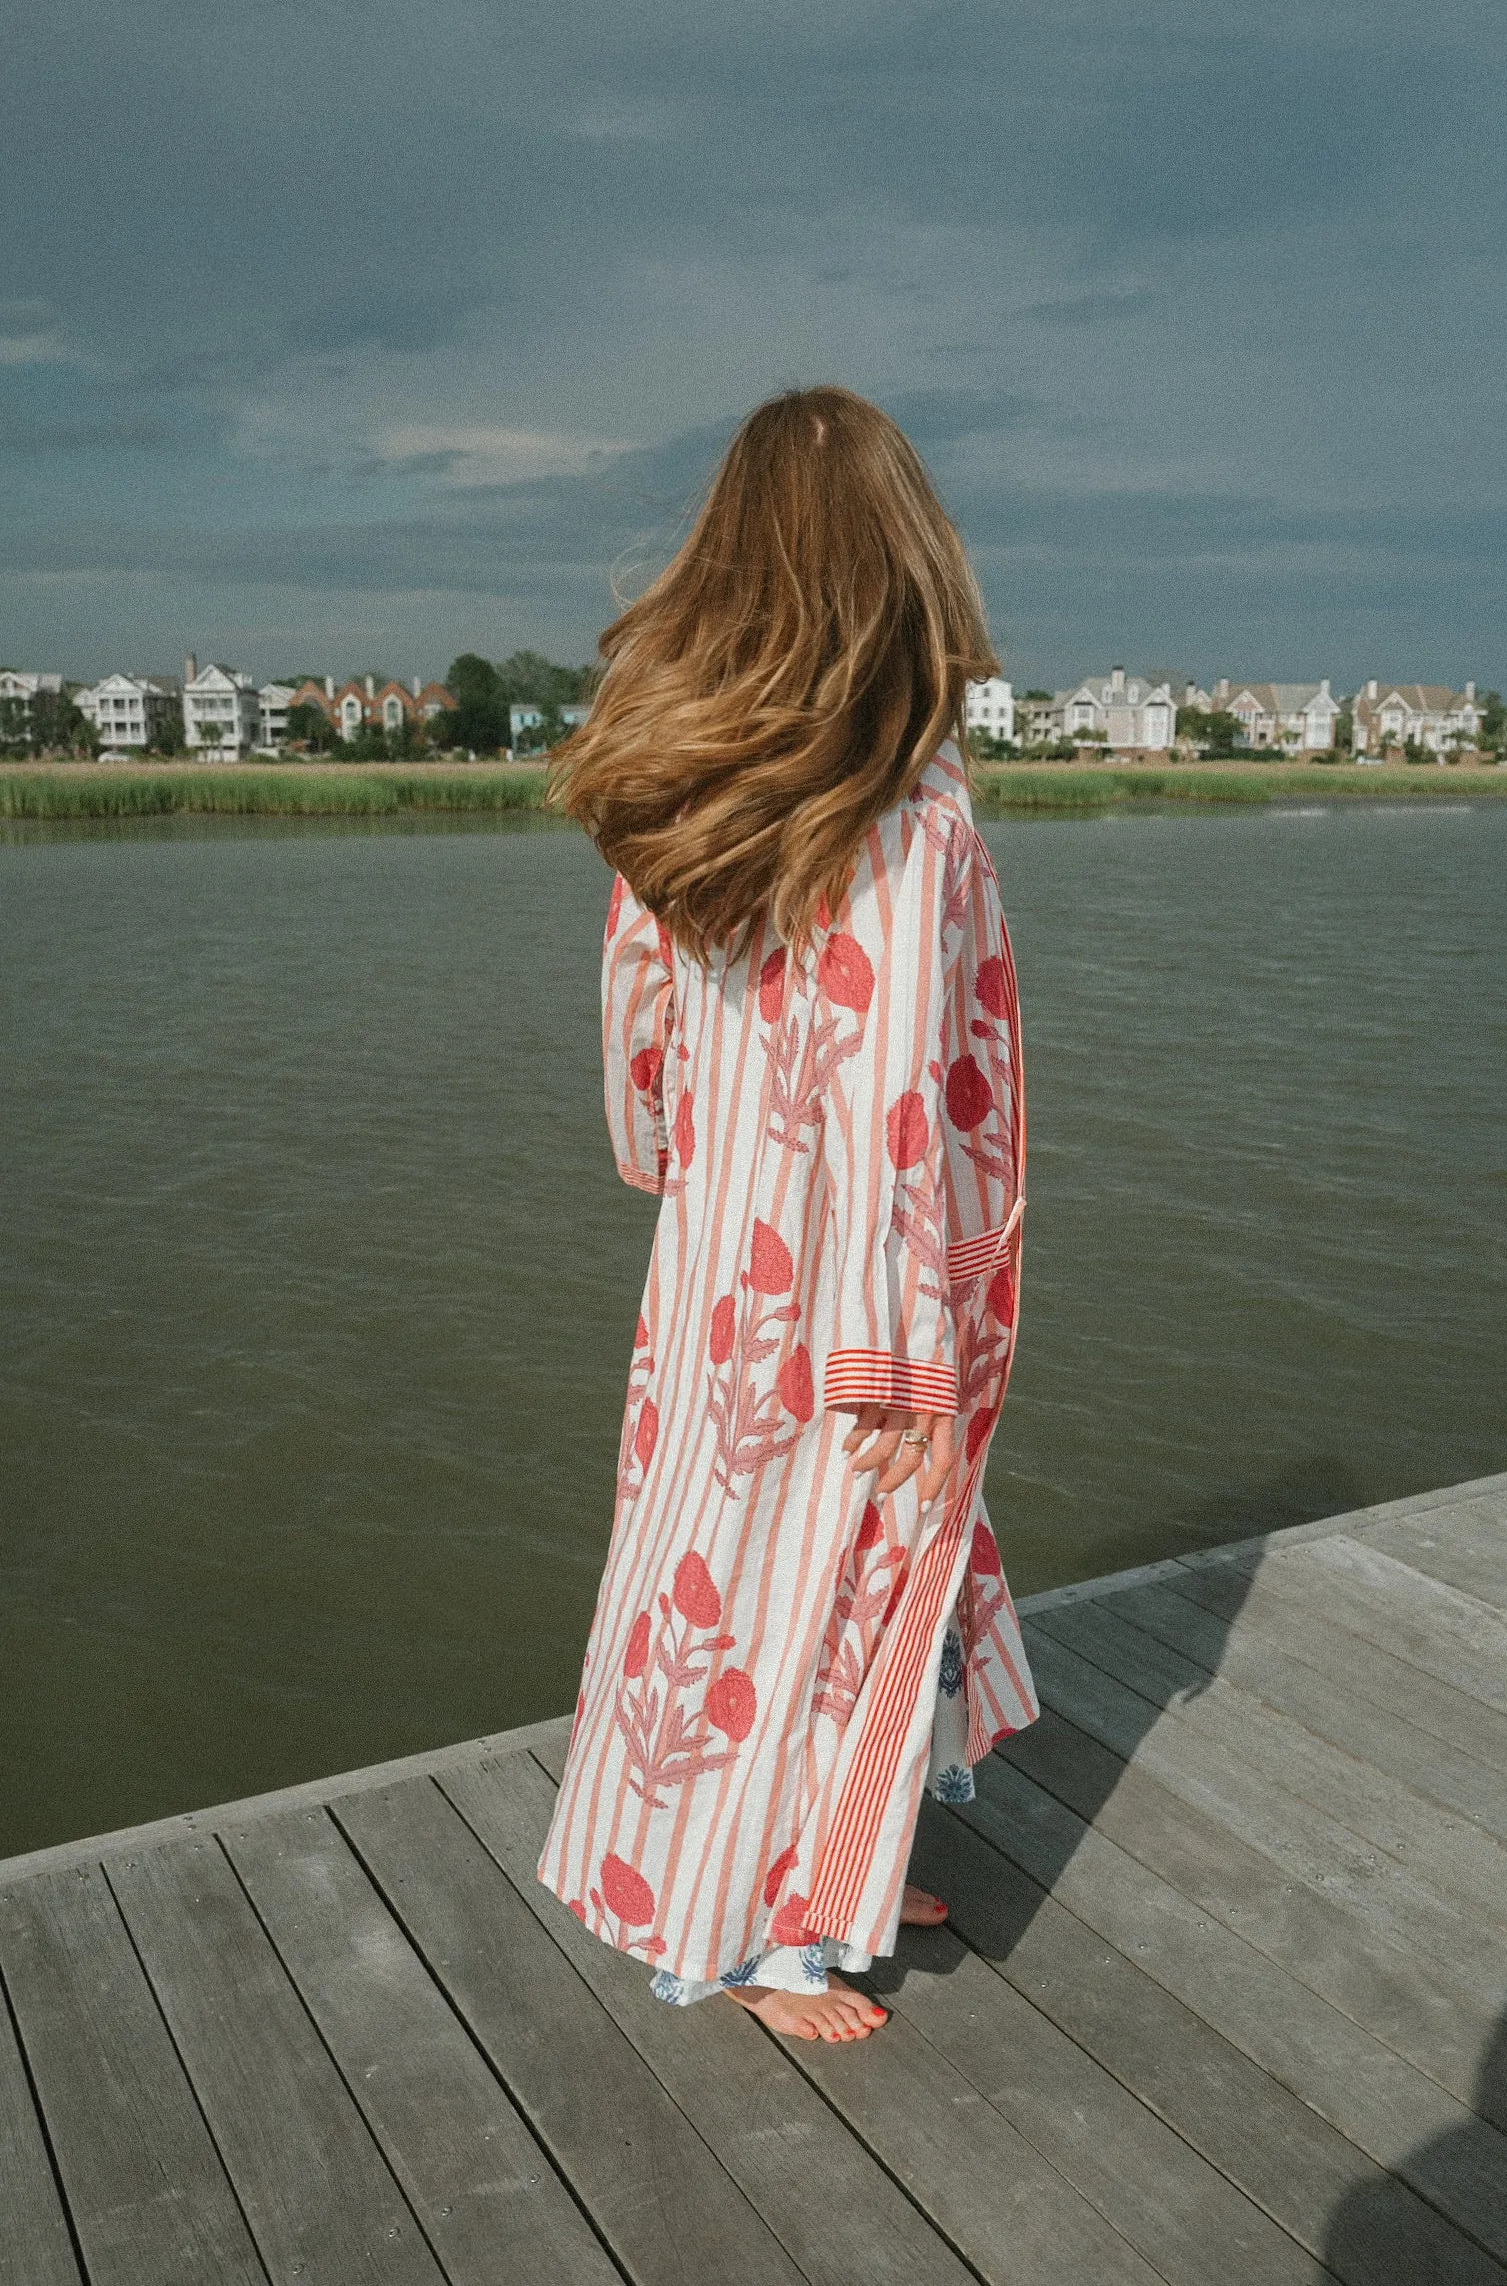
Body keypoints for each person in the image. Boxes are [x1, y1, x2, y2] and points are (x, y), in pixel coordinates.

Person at [538, 386, 1037, 2043]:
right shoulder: (910, 811)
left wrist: (669, 1157)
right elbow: (897, 1101)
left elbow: (637, 1019)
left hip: (720, 1262)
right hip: (856, 1286)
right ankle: (756, 1931)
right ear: (907, 566)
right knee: (822, 1576)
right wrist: (903, 1352)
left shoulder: (687, 790)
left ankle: (837, 1866)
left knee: (726, 1563)